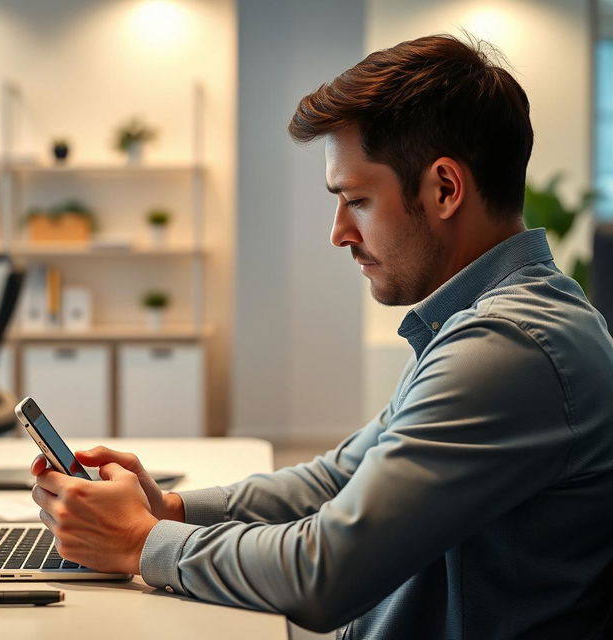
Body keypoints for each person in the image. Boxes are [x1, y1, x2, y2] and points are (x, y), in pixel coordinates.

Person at [31, 34, 613, 639]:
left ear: (444, 188)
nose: (339, 233)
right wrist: (170, 510)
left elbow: (324, 573)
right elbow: (339, 479)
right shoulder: (482, 323)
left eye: (356, 200)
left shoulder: (510, 346)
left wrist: (140, 542)